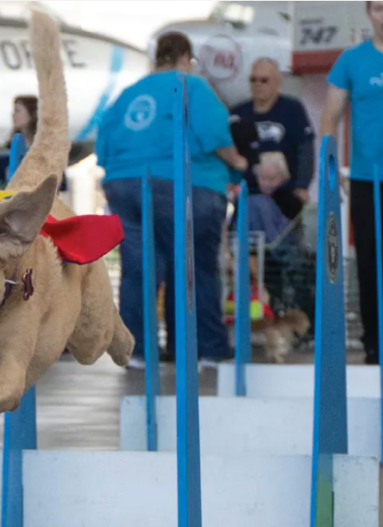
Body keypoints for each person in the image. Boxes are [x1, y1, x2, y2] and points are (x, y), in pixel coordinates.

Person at [96, 32, 247, 370]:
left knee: (139, 269)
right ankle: (202, 349)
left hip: (123, 184)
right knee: (193, 267)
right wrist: (238, 162)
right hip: (183, 183)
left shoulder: (128, 95)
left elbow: (103, 149)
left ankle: (137, 351)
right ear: (185, 57)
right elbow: (214, 136)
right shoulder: (191, 86)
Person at [320, 0, 383, 365]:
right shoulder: (352, 60)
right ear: (369, 13)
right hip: (365, 179)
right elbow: (330, 114)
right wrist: (331, 170)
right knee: (370, 264)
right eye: (379, 8)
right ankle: (373, 345)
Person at [230, 58, 315, 221]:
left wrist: (302, 186)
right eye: (253, 80)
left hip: (284, 193)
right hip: (245, 192)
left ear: (277, 82)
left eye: (264, 80)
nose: (258, 84)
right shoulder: (237, 113)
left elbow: (305, 148)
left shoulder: (292, 109)